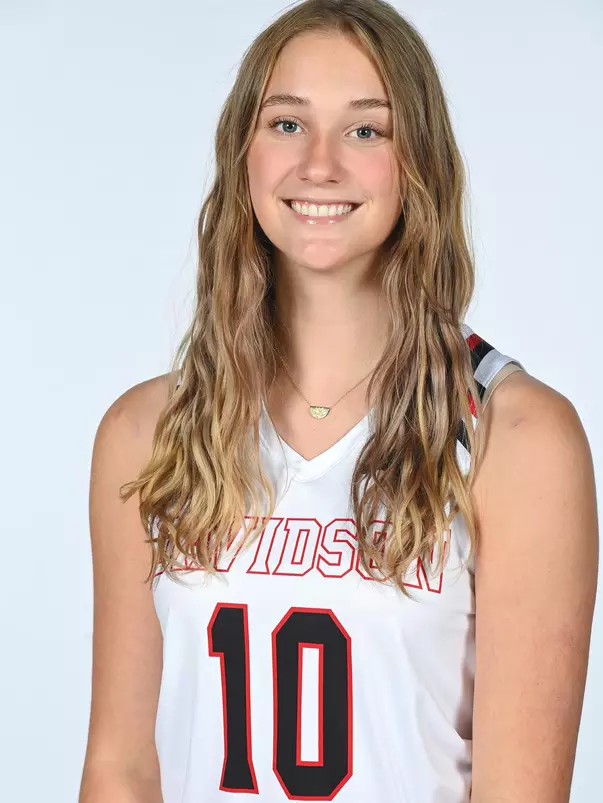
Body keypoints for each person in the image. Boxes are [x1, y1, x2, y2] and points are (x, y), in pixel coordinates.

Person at [79, 1, 598, 802]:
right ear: (241, 152)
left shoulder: (515, 437)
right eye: (286, 123)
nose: (318, 165)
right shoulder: (147, 432)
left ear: (416, 160)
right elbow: (121, 767)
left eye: (365, 131)